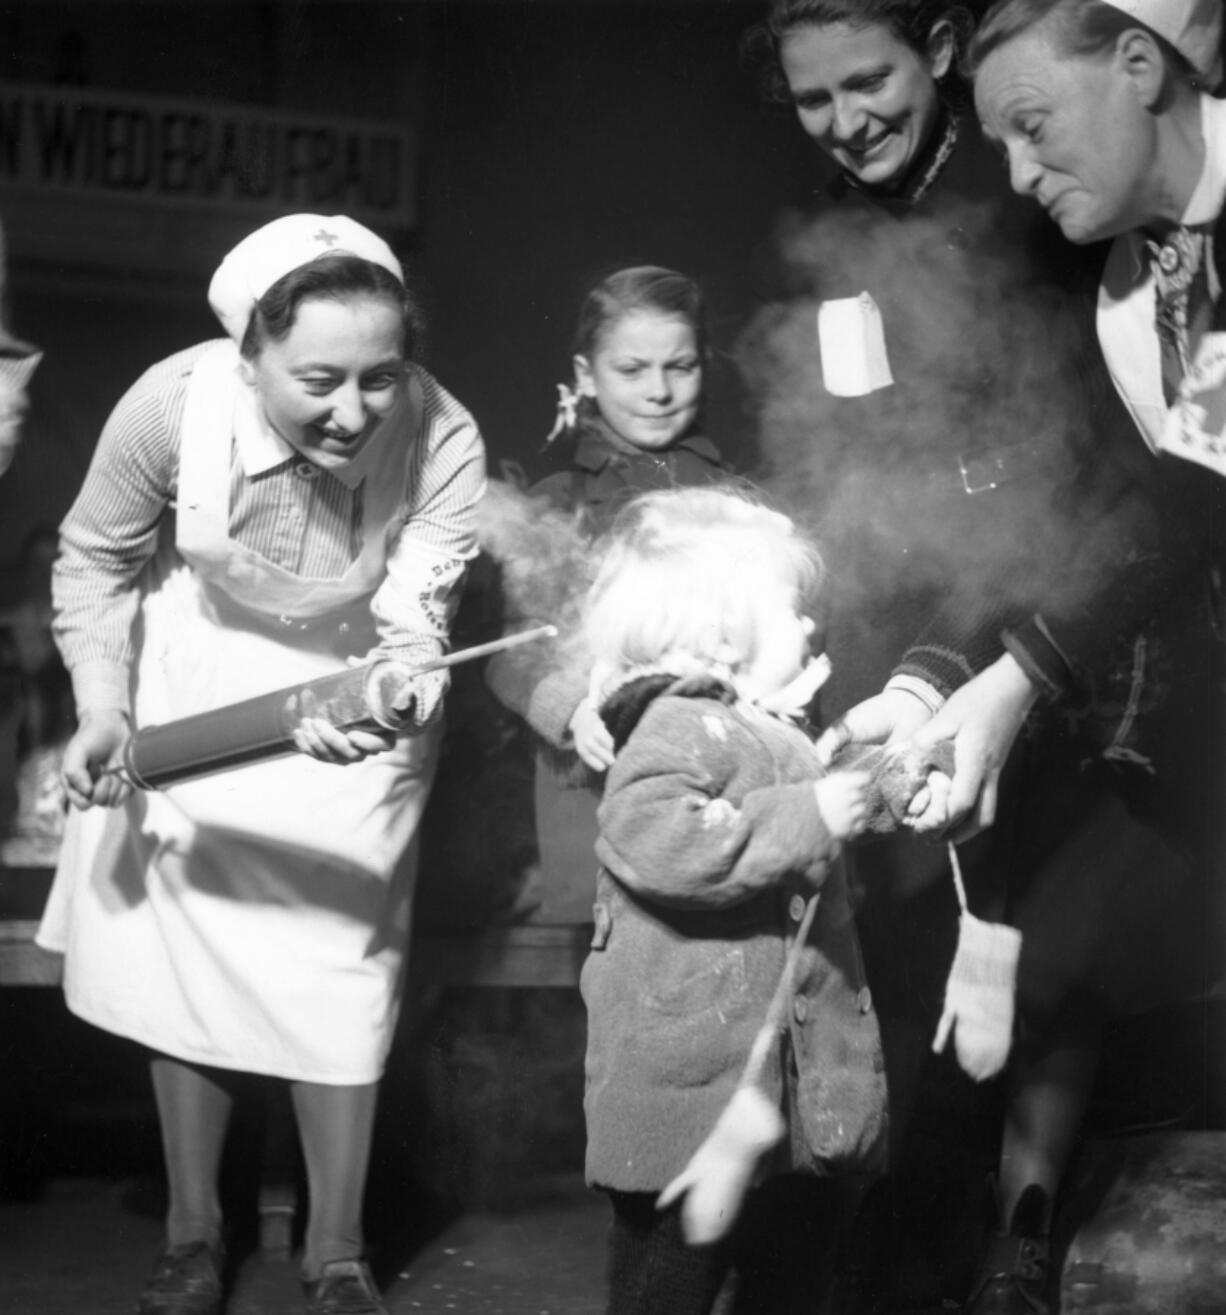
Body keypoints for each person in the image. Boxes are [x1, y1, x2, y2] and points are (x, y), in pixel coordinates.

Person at [742, 3, 1207, 1311]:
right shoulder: (851, 239)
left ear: (938, 49)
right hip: (983, 619)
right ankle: (923, 1241)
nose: (845, 122)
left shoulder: (1104, 233)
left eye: (867, 80)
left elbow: (1158, 491)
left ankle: (1016, 1217)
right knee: (927, 949)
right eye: (810, 100)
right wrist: (914, 672)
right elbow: (861, 476)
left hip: (1111, 643)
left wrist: (1009, 675)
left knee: (1054, 938)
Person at [35, 214, 486, 1315]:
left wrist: (384, 707)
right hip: (195, 671)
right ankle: (195, 1236)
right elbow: (94, 557)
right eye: (319, 379)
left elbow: (419, 633)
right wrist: (103, 705)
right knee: (188, 950)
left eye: (380, 378)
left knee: (337, 957)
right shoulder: (169, 405)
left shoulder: (444, 436)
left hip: (354, 671)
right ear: (251, 355)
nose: (352, 412)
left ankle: (335, 1251)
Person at [853, 0, 1226, 841]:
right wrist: (926, 681)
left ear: (1139, 66)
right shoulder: (1125, 288)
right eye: (1001, 148)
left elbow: (1198, 491)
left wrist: (1014, 682)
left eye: (1034, 125)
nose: (1019, 177)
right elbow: (1098, 509)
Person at [577, 485, 886, 1315]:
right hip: (690, 1103)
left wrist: (883, 791)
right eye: (790, 609)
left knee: (793, 1278)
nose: (810, 626)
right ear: (722, 632)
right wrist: (810, 811)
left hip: (788, 1101)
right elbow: (663, 841)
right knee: (665, 1288)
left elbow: (802, 819)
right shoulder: (675, 725)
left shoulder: (772, 729)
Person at [485, 266, 730, 926]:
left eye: (679, 366)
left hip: (721, 783)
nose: (658, 390)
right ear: (587, 374)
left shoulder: (736, 507)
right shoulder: (554, 505)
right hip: (593, 789)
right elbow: (512, 654)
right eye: (632, 368)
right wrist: (569, 709)